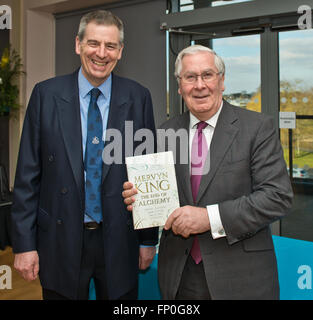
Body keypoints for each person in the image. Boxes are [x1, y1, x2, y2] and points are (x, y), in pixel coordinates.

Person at [122, 45, 293, 300]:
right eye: (190, 77)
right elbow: (163, 199)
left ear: (221, 81)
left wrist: (209, 218)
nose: (199, 85)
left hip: (242, 277)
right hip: (180, 276)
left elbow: (277, 197)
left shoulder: (257, 128)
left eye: (207, 75)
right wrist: (139, 197)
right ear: (180, 86)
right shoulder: (165, 133)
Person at [11, 10, 158, 300]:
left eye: (110, 46)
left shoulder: (138, 97)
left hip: (119, 239)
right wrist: (24, 245)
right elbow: (28, 175)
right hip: (59, 237)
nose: (101, 53)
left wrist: (148, 240)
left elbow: (147, 173)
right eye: (93, 43)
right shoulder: (45, 95)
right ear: (78, 45)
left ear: (120, 51)